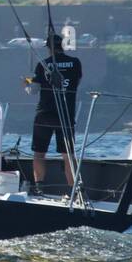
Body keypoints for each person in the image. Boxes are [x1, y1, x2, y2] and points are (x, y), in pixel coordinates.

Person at [26, 33, 83, 194]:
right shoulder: (75, 63)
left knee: (39, 153)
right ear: (62, 46)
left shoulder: (42, 64)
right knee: (68, 155)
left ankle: (39, 188)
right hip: (65, 114)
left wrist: (26, 81)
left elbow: (33, 90)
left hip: (44, 113)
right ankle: (74, 190)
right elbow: (77, 82)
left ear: (49, 48)